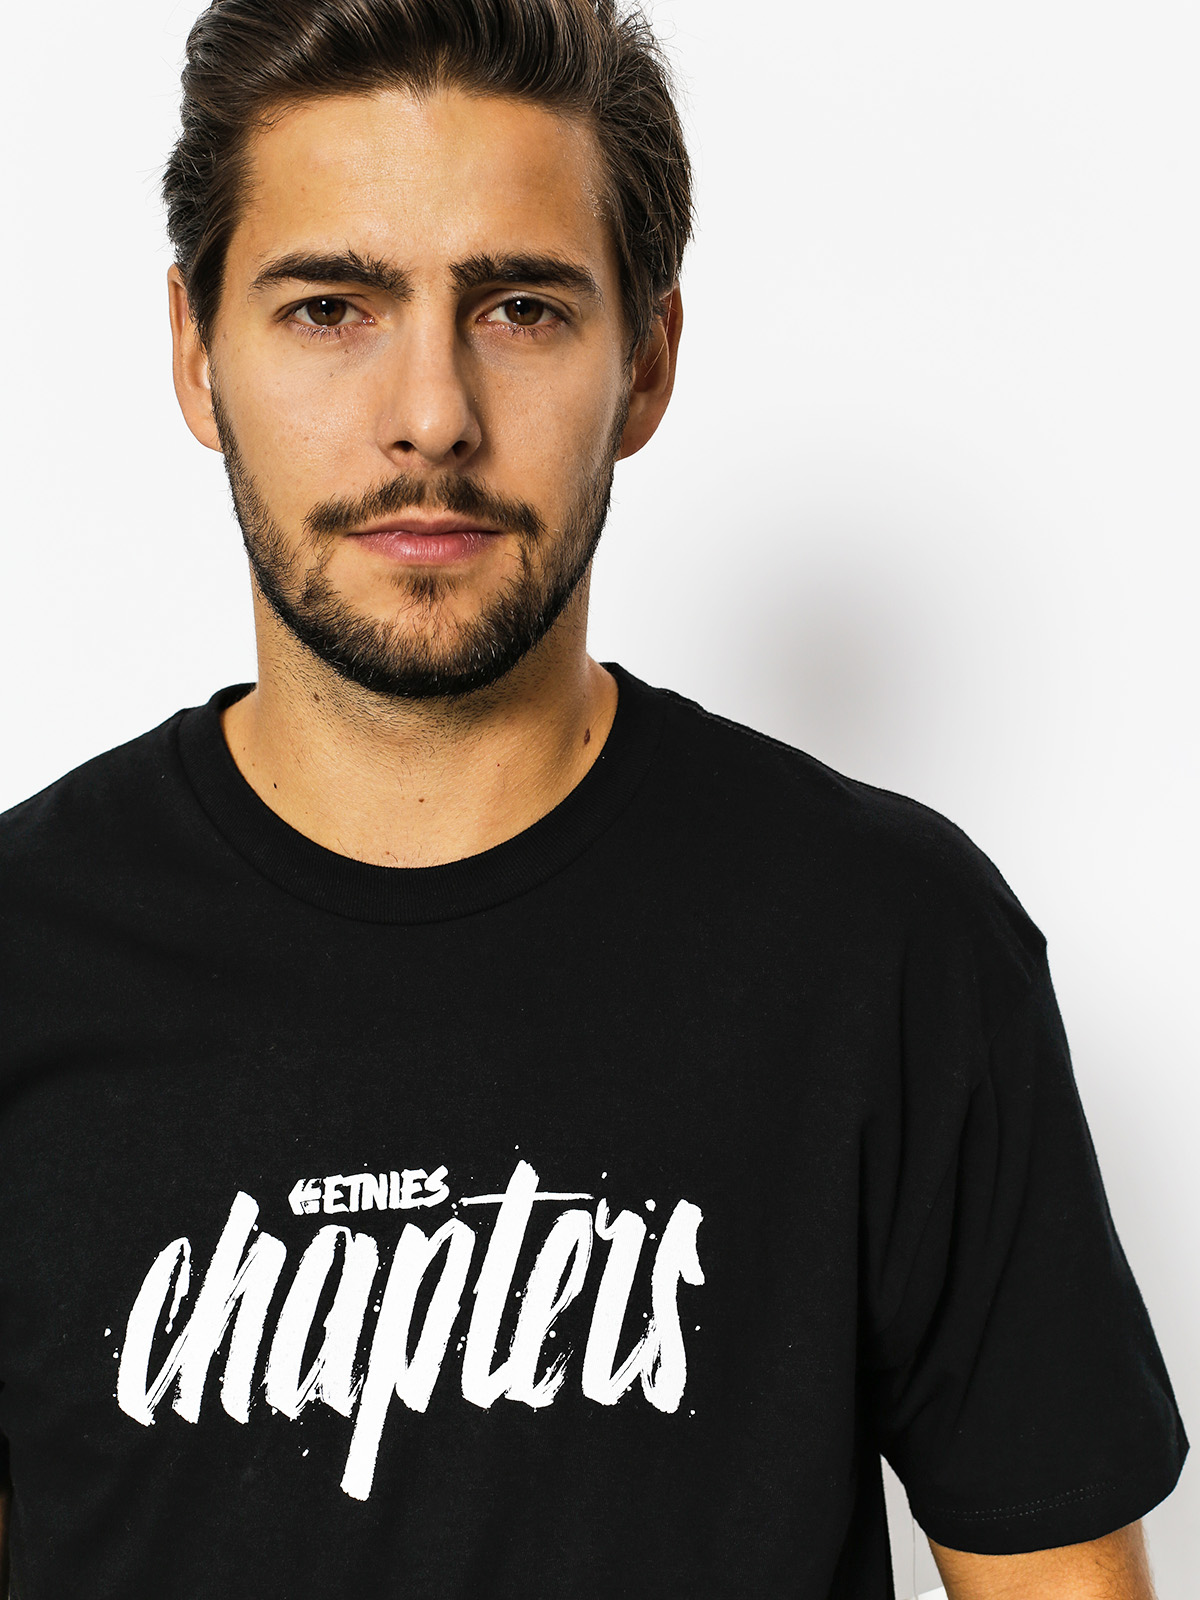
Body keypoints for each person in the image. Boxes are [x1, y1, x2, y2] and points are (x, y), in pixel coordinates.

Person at [0, 0, 1187, 1594]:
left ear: (648, 362)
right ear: (195, 355)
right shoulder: (25, 957)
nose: (431, 414)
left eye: (520, 308)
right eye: (331, 307)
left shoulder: (891, 944)